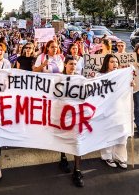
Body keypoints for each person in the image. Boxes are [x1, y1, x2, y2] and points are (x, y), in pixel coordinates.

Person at [58, 55, 84, 187]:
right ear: (65, 65)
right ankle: (63, 158)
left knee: (77, 141)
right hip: (61, 115)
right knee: (62, 138)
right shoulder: (58, 79)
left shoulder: (80, 79)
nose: (73, 66)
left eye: (75, 64)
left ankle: (77, 171)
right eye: (70, 64)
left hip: (77, 115)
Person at [99, 54, 128, 169]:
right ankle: (107, 156)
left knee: (122, 132)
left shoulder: (122, 75)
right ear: (106, 63)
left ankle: (121, 157)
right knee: (108, 133)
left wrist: (131, 84)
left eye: (116, 62)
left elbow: (132, 89)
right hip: (106, 110)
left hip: (120, 108)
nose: (115, 64)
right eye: (112, 61)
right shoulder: (99, 76)